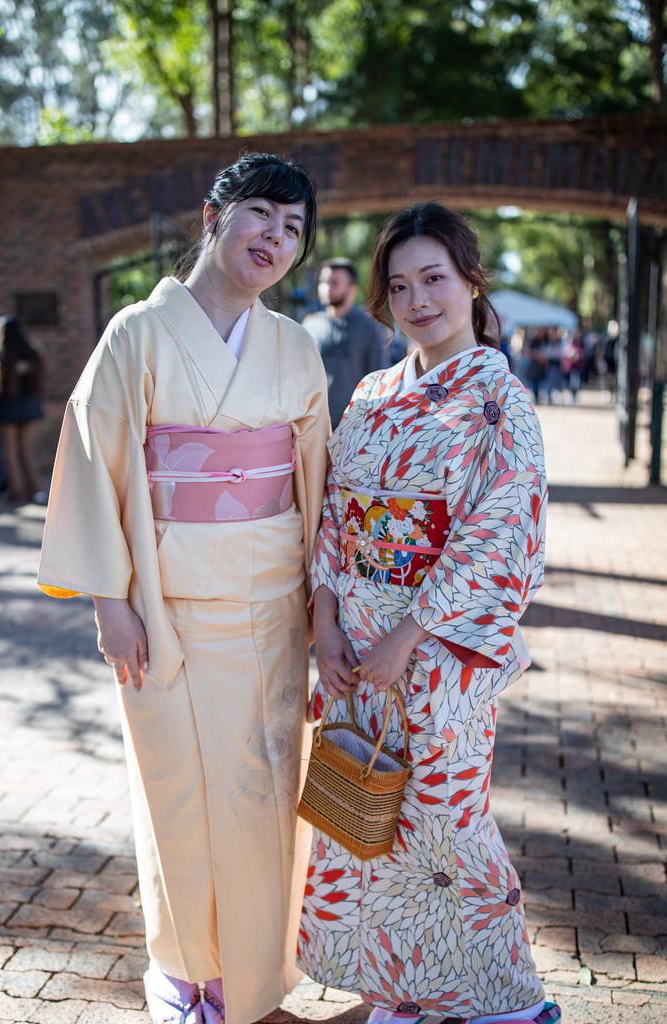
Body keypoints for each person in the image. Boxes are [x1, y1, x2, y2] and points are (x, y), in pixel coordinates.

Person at [37, 152, 330, 1024]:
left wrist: (325, 607)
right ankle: (187, 972)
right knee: (178, 790)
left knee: (269, 791)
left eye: (294, 230)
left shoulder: (294, 343)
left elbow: (315, 480)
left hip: (274, 606)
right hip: (168, 611)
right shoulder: (137, 332)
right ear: (213, 218)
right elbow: (98, 461)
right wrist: (110, 602)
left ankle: (258, 976)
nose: (276, 240)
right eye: (262, 217)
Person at [299, 202, 560, 1024]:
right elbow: (339, 512)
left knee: (447, 821)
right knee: (366, 815)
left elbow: (498, 536)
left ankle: (509, 1005)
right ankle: (398, 990)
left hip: (443, 647)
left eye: (434, 280)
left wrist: (409, 636)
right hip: (357, 644)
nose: (418, 301)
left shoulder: (499, 400)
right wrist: (327, 620)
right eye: (400, 284)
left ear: (470, 281)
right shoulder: (375, 391)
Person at [303, 257, 389, 428]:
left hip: (354, 427)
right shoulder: (309, 325)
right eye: (323, 282)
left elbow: (380, 382)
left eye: (334, 283)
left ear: (352, 289)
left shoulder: (369, 328)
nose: (326, 288)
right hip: (313, 426)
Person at [0, 316, 46, 504]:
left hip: (6, 409)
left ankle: (17, 490)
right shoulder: (32, 352)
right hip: (29, 407)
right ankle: (37, 490)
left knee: (10, 452)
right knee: (27, 449)